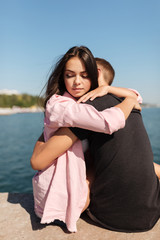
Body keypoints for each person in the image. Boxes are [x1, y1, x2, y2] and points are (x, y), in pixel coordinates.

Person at [31, 55, 160, 232]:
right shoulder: (124, 102)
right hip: (152, 210)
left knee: (91, 166)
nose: (77, 82)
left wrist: (44, 133)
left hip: (114, 216)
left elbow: (37, 160)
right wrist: (130, 99)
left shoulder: (88, 109)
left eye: (84, 74)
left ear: (95, 73)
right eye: (71, 75)